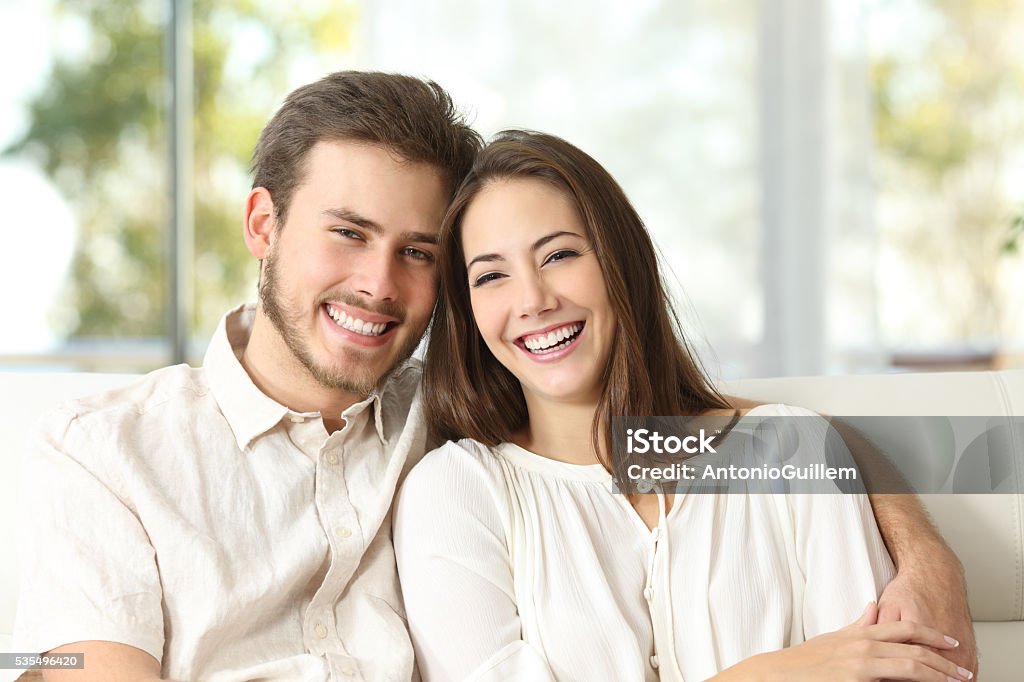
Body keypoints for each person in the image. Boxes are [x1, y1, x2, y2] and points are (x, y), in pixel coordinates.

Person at [394, 130, 977, 681]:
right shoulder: (457, 492)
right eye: (490, 275)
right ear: (467, 313)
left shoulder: (789, 452)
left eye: (559, 255)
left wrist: (930, 557)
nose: (532, 300)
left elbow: (876, 671)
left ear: (623, 262)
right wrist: (774, 672)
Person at [13, 71, 481, 681]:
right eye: (348, 233)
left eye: (417, 253)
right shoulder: (101, 450)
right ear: (264, 225)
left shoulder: (459, 411)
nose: (379, 284)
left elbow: (640, 445)